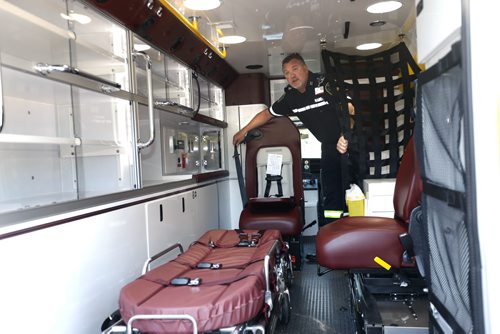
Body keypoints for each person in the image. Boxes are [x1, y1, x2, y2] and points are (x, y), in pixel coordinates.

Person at [233, 53, 354, 227]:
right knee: (331, 194)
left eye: (295, 69)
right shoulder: (291, 98)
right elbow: (267, 114)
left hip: (349, 143)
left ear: (306, 68)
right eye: (287, 73)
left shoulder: (325, 83)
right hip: (328, 147)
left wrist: (346, 134)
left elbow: (350, 109)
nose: (292, 76)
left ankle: (355, 228)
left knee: (352, 190)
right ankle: (333, 232)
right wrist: (244, 131)